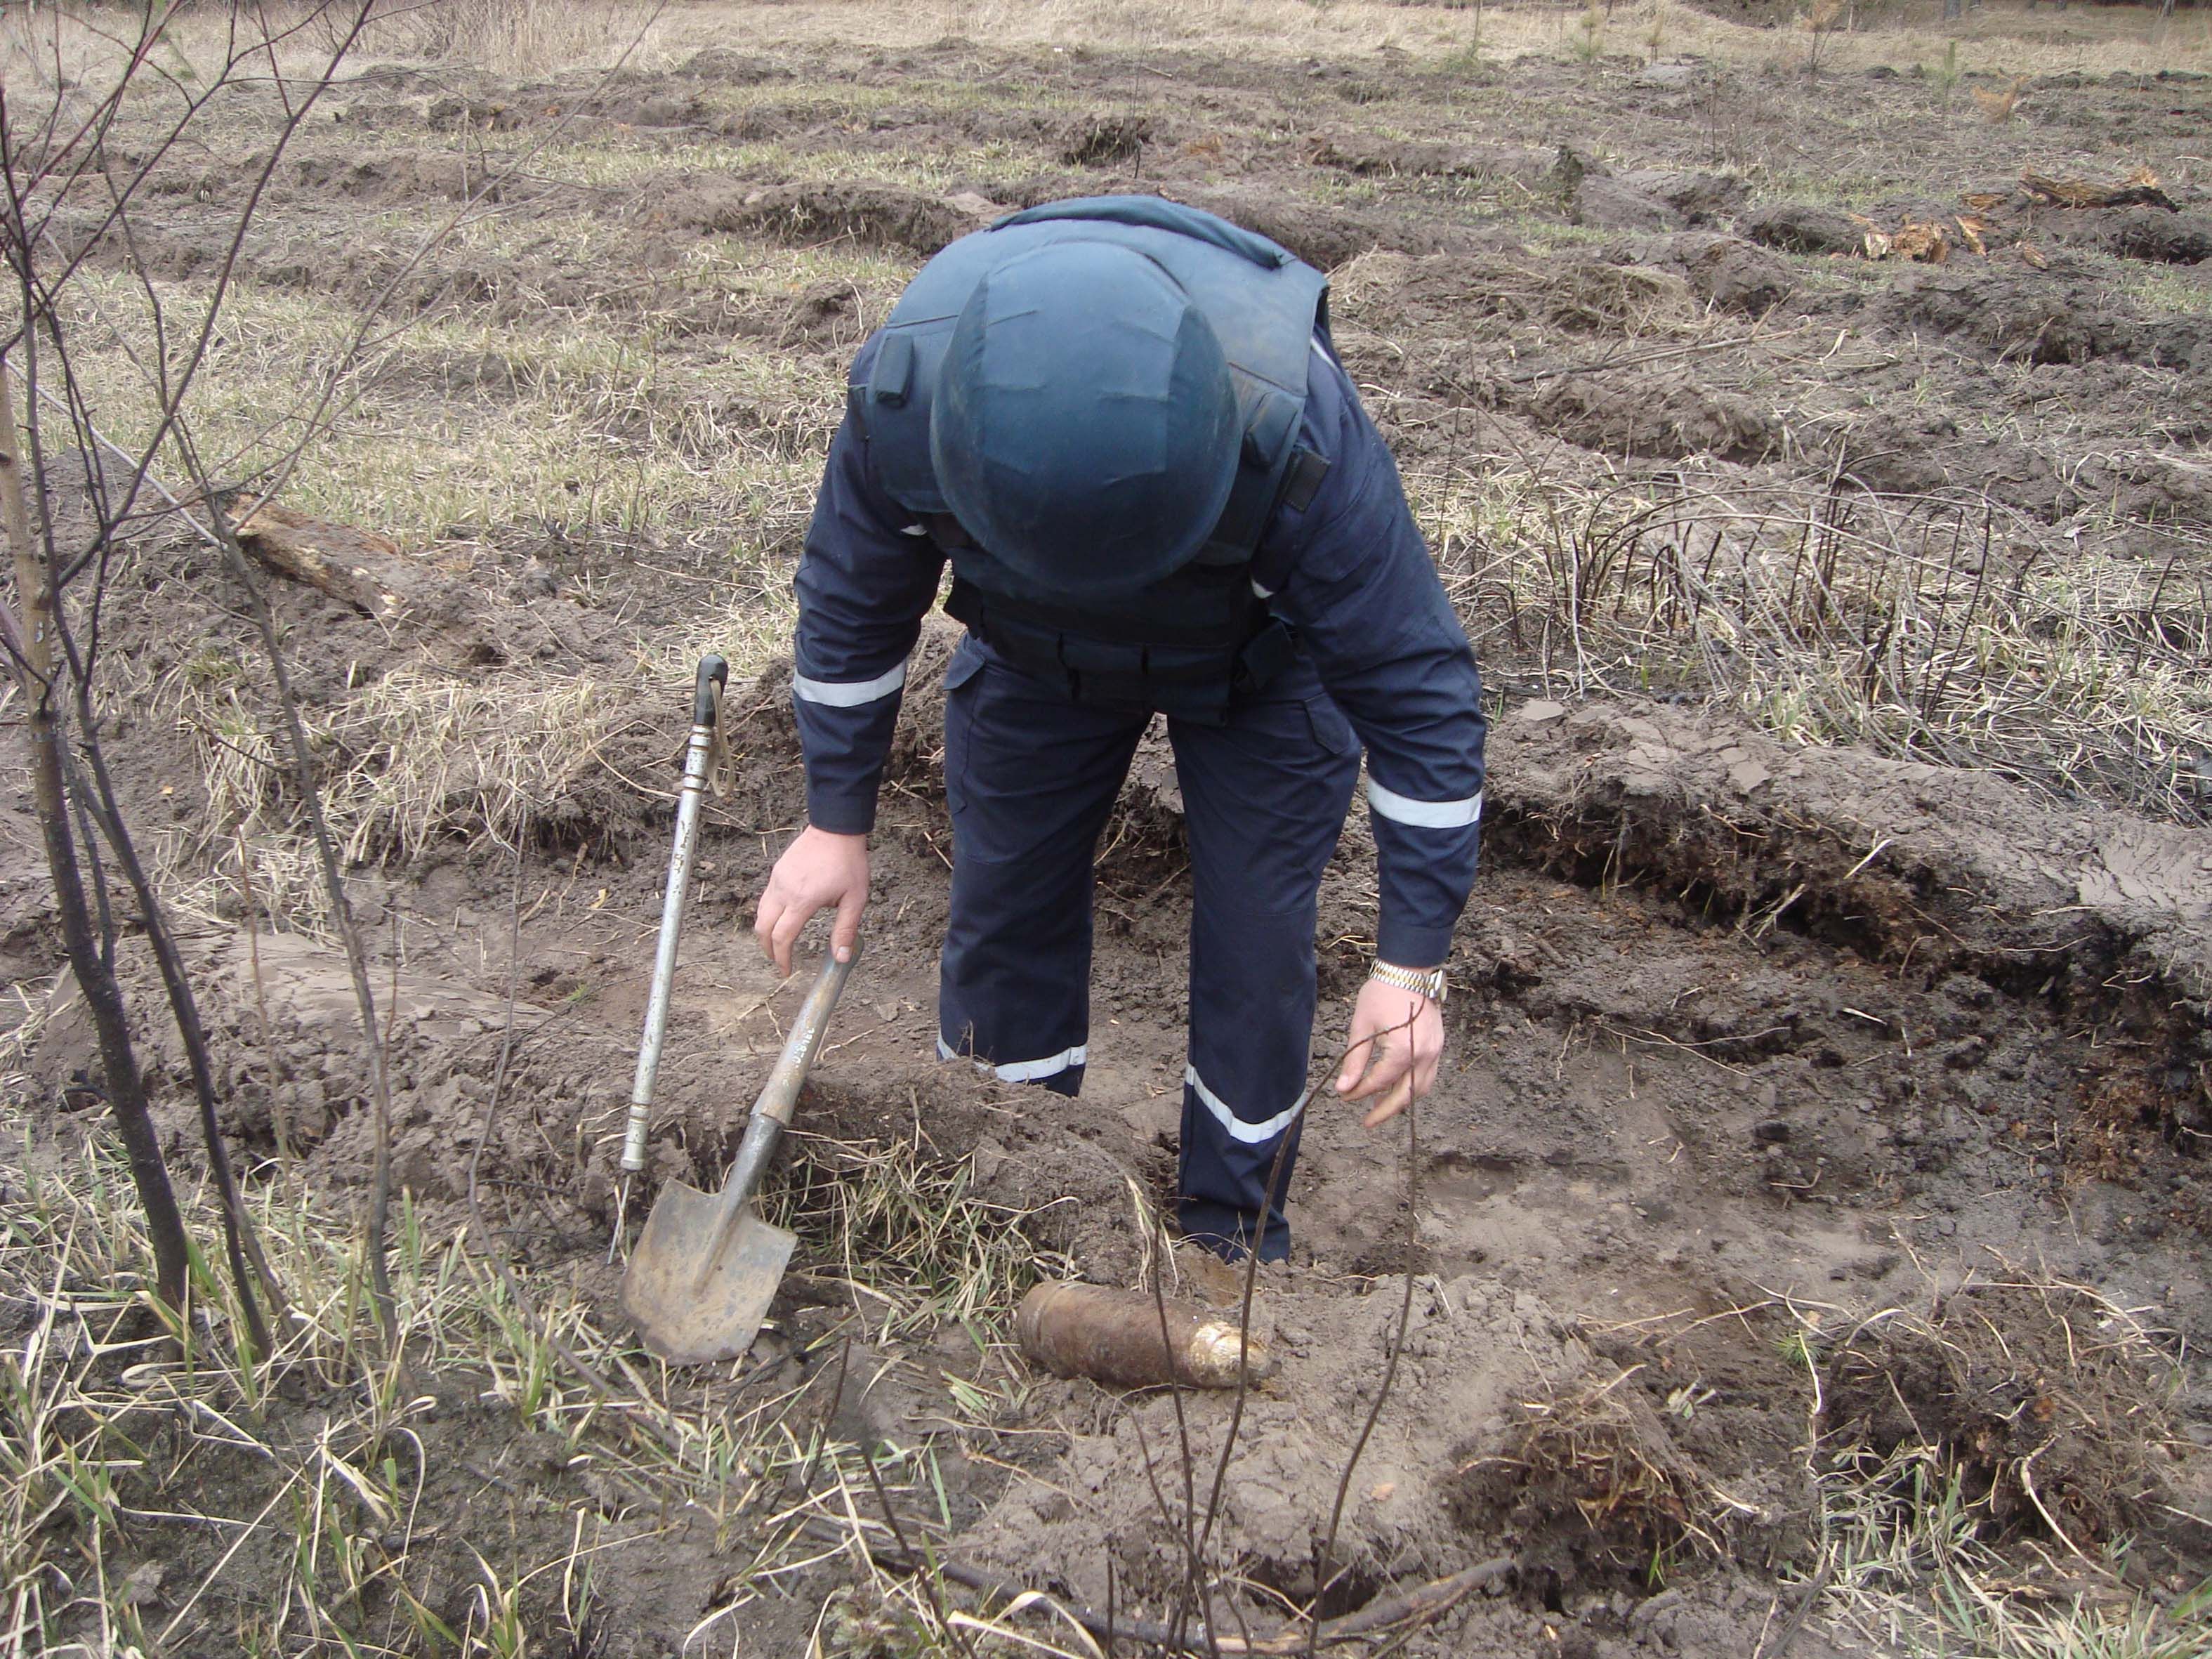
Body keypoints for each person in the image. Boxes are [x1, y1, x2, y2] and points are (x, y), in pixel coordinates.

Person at [753, 197, 1487, 1261]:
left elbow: (1416, 688)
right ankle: (1006, 1186)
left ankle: (1229, 1232)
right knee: (1003, 905)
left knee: (1255, 944)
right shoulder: (909, 394)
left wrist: (1413, 963)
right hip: (1028, 643)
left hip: (1260, 663)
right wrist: (834, 819)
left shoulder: (1296, 437)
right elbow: (851, 602)